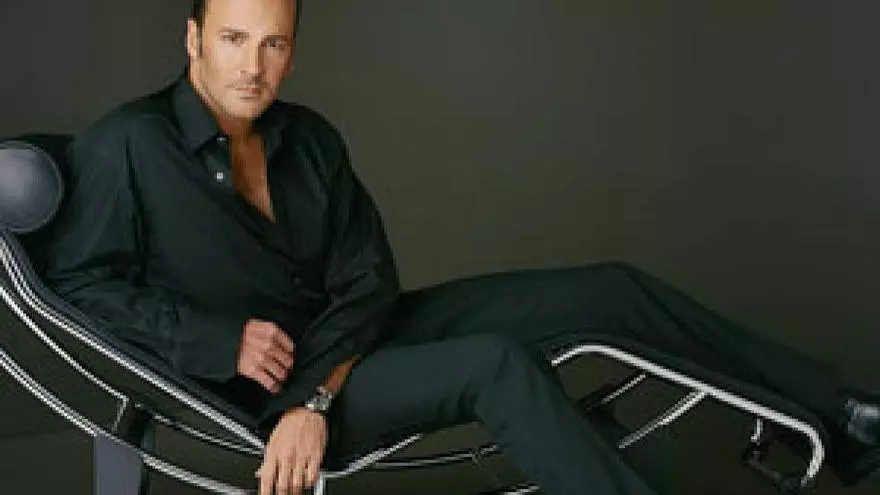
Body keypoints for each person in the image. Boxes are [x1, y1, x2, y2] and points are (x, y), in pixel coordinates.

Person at [42, 0, 879, 494]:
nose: (253, 66)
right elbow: (78, 285)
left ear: (292, 49)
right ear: (193, 38)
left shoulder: (309, 140)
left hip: (345, 352)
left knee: (610, 286)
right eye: (233, 39)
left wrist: (324, 390)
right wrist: (222, 343)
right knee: (496, 363)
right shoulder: (129, 145)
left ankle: (838, 415)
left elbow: (370, 279)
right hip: (269, 392)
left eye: (274, 43)